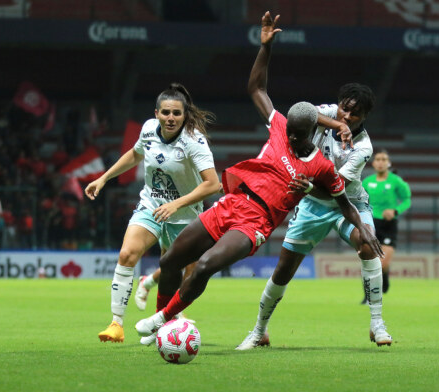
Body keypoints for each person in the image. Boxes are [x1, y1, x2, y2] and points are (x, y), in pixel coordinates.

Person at [135, 11, 383, 342]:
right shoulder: (281, 126)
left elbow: (343, 201)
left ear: (312, 130)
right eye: (290, 130)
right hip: (231, 203)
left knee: (207, 264)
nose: (290, 136)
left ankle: (163, 319)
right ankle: (166, 323)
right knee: (170, 261)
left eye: (297, 133)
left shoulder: (321, 167)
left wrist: (362, 227)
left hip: (255, 223)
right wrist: (265, 47)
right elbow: (256, 87)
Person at [235, 81, 395, 348]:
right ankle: (259, 330)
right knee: (283, 270)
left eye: (354, 114)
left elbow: (337, 191)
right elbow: (301, 112)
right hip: (312, 205)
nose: (346, 115)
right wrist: (337, 124)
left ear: (365, 117)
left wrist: (309, 186)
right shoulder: (332, 113)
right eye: (344, 109)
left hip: (348, 202)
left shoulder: (364, 147)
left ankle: (377, 323)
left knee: (368, 245)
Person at [85, 83, 221, 344]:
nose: (171, 118)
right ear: (156, 113)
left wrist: (177, 204)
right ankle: (116, 324)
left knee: (176, 272)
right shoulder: (148, 129)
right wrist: (103, 178)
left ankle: (164, 321)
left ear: (184, 115)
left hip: (185, 216)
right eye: (166, 113)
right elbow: (134, 156)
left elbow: (212, 184)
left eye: (176, 114)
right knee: (127, 254)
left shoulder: (194, 141)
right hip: (151, 206)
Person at [361, 149, 411, 301]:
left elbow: (407, 199)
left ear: (388, 163)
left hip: (389, 225)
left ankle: (385, 276)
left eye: (384, 159)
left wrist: (395, 211)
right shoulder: (367, 182)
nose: (381, 162)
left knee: (382, 264)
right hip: (371, 224)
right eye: (378, 159)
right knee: (369, 260)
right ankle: (367, 295)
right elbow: (360, 201)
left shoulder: (395, 181)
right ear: (374, 163)